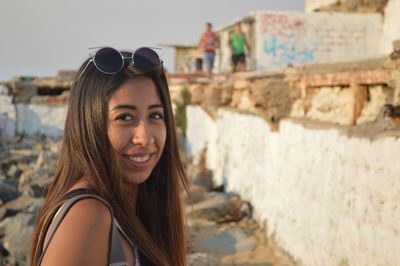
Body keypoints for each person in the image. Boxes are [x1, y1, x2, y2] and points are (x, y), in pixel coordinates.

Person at [30, 47, 189, 266]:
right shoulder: (88, 215)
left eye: (155, 115)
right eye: (125, 117)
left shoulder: (134, 209)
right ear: (89, 124)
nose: (144, 138)